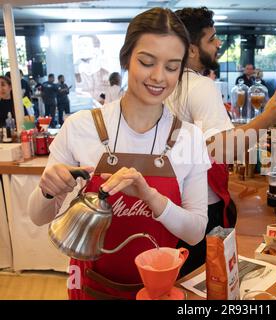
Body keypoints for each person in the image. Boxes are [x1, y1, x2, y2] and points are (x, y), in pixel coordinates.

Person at [27, 7, 210, 300]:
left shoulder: (189, 137)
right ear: (126, 59)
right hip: (91, 287)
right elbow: (37, 216)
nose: (159, 77)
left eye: (172, 67)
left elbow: (195, 232)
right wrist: (49, 190)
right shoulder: (80, 127)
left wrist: (151, 197)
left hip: (158, 293)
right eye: (147, 62)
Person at [167, 7, 276, 277]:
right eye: (211, 38)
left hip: (170, 202)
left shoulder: (166, 83)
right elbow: (219, 149)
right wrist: (267, 119)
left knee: (177, 281)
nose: (218, 44)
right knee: (201, 281)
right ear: (192, 49)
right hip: (201, 204)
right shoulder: (200, 86)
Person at [74, 34, 110, 102]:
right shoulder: (76, 74)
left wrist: (91, 98)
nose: (81, 49)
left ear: (96, 50)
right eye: (79, 46)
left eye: (85, 45)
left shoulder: (106, 74)